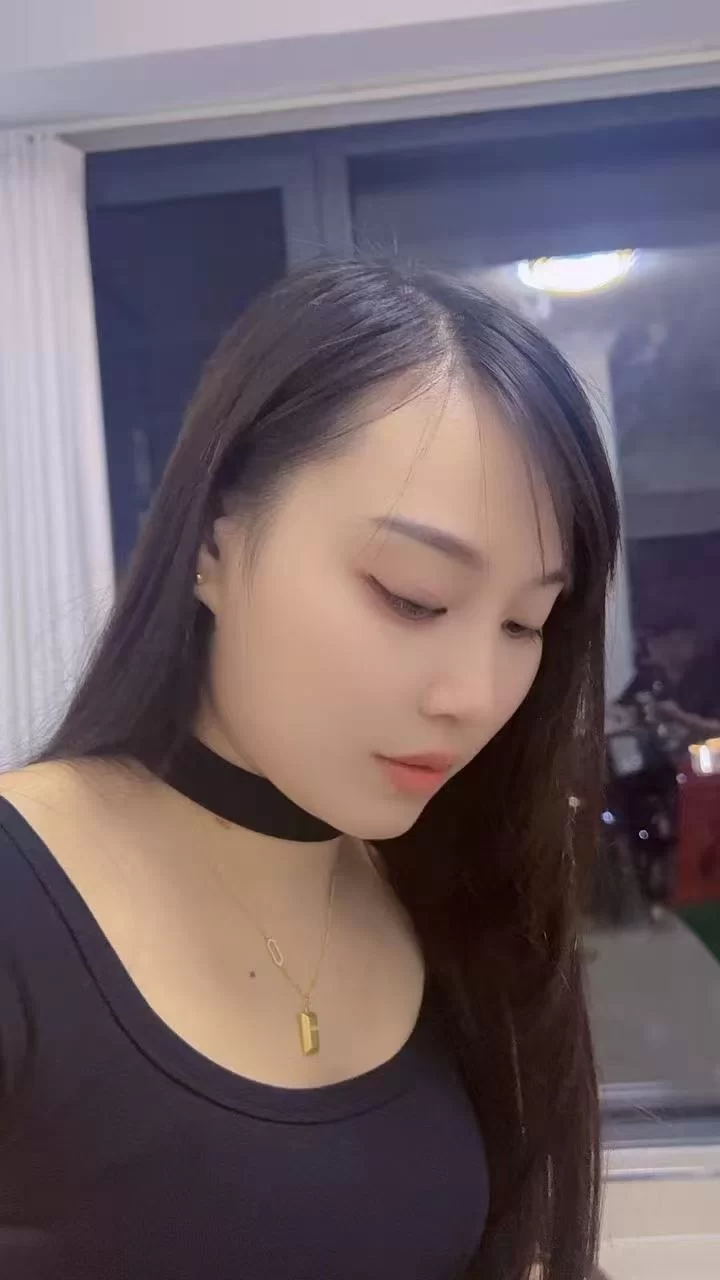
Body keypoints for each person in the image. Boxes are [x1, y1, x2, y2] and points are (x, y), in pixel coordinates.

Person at [0, 260, 619, 1280]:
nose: (474, 693)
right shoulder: (24, 898)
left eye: (525, 623)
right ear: (213, 543)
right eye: (413, 595)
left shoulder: (450, 893)